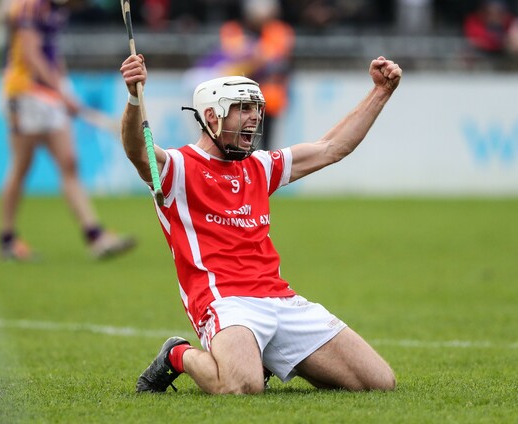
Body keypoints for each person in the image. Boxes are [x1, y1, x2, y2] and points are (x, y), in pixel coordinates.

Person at [119, 53, 402, 394]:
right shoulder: (178, 167)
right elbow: (137, 149)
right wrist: (134, 97)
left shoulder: (260, 165)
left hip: (280, 298)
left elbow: (331, 148)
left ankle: (267, 355)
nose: (254, 118)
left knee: (378, 382)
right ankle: (177, 354)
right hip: (224, 300)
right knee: (241, 386)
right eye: (242, 109)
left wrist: (381, 92)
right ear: (211, 116)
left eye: (256, 109)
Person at [0, 0, 135, 260]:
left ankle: (95, 235)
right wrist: (61, 93)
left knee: (69, 162)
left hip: (50, 94)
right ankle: (7, 239)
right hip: (24, 92)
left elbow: (53, 53)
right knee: (21, 166)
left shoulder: (57, 9)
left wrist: (64, 87)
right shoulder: (30, 6)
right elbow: (31, 54)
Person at [186, 0, 293, 151]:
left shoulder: (277, 32)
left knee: (263, 143)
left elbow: (280, 64)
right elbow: (230, 60)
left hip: (268, 98)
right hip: (240, 98)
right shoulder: (235, 31)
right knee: (238, 141)